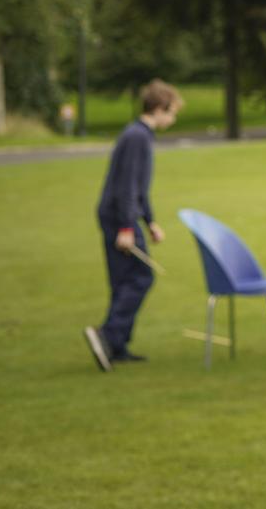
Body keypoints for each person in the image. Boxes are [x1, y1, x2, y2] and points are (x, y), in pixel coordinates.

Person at [84, 80, 184, 371]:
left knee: (123, 280)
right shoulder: (137, 137)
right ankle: (108, 335)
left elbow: (140, 189)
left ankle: (116, 347)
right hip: (118, 217)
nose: (173, 119)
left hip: (119, 214)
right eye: (172, 112)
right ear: (159, 108)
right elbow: (127, 187)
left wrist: (150, 221)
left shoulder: (138, 135)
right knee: (141, 277)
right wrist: (128, 227)